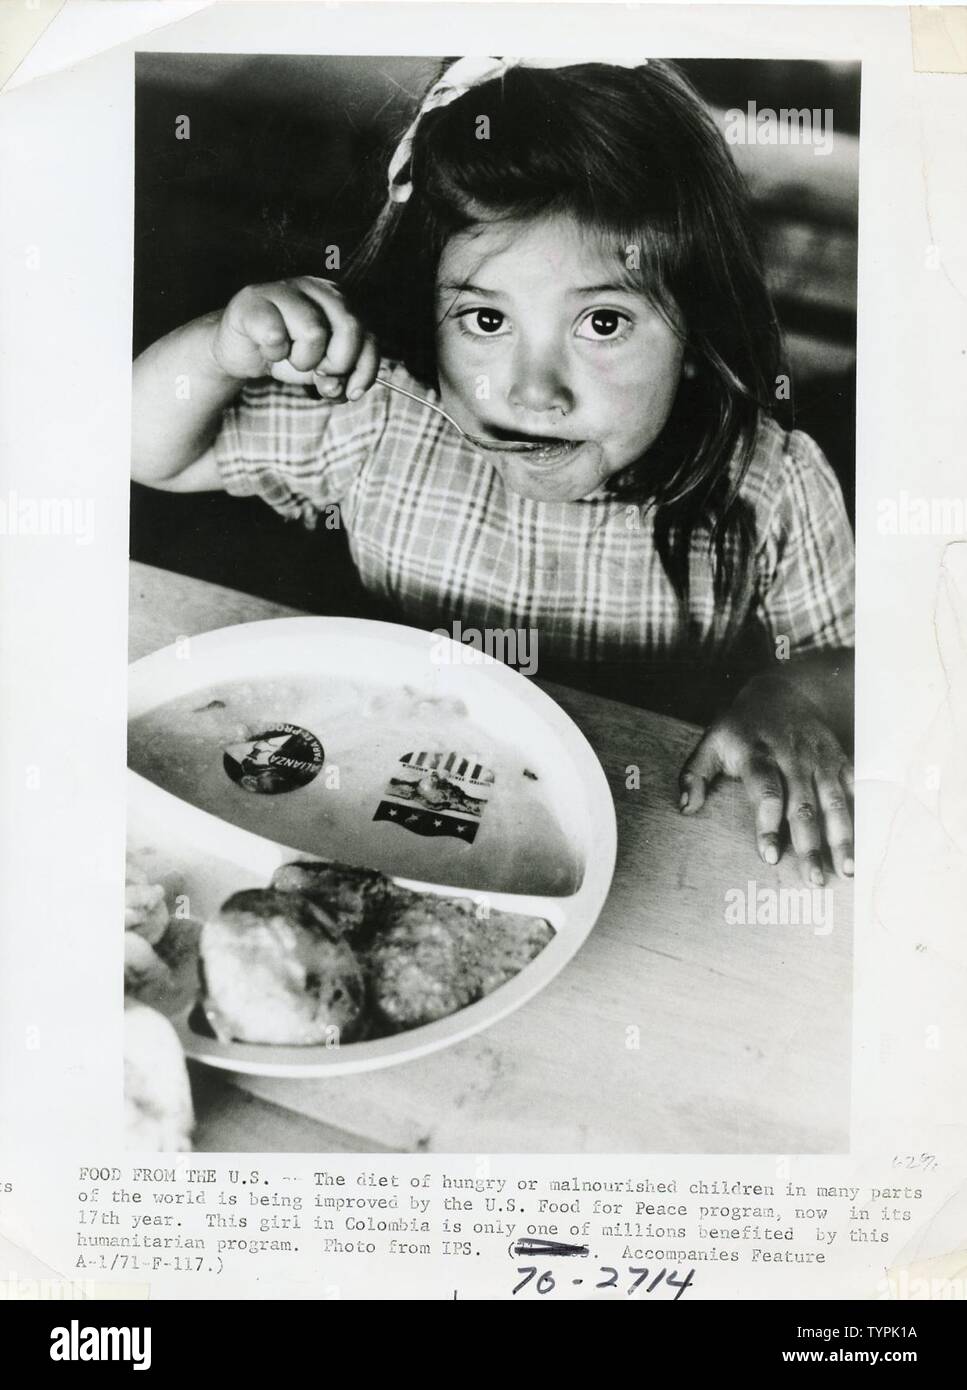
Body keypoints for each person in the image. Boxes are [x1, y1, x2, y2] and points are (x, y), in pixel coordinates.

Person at [132, 56, 855, 885]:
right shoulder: (385, 421)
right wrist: (219, 349)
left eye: (602, 322)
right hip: (395, 813)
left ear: (695, 332)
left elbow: (864, 658)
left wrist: (797, 695)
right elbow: (152, 454)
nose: (531, 390)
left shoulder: (771, 482)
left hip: (648, 842)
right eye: (484, 319)